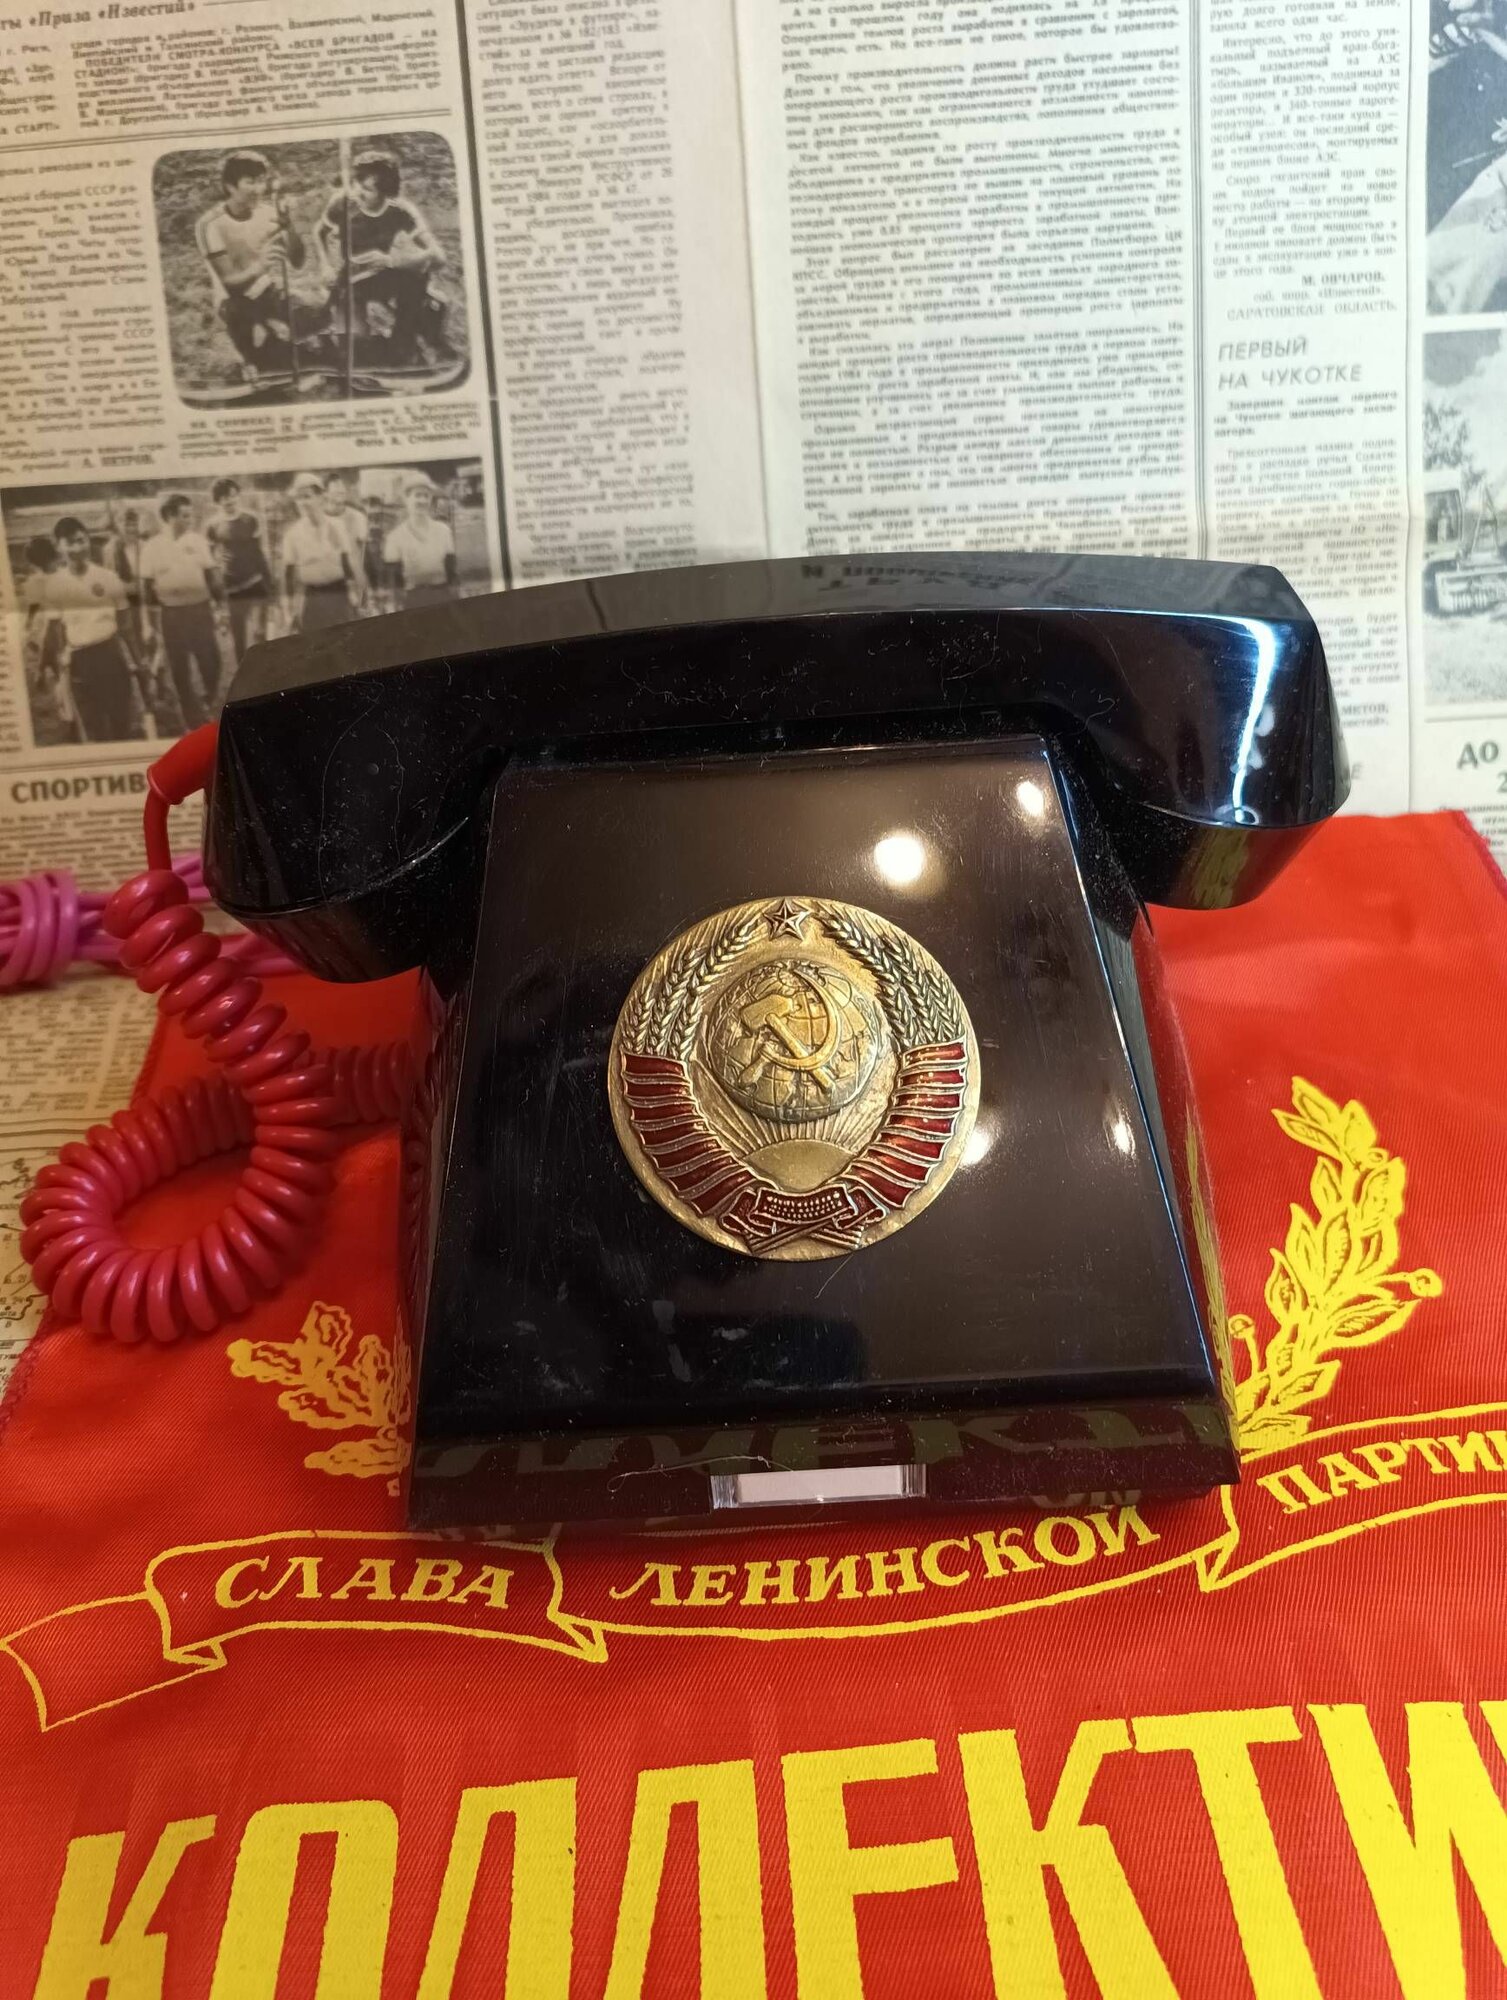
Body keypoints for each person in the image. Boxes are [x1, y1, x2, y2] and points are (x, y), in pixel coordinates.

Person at [196, 151, 326, 378]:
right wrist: (261, 266)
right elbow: (229, 282)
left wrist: (289, 228)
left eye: (262, 181)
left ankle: (273, 329)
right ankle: (262, 337)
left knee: (322, 313)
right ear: (230, 186)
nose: (258, 189)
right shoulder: (211, 224)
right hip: (234, 302)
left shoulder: (267, 212)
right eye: (250, 182)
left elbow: (297, 262)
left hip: (268, 293)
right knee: (266, 359)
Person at [317, 148, 453, 366]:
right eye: (356, 184)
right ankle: (360, 335)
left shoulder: (400, 210)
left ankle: (403, 341)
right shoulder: (342, 202)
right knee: (356, 351)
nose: (358, 193)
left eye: (368, 189)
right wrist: (326, 266)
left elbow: (438, 256)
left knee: (416, 278)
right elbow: (319, 232)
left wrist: (392, 261)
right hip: (349, 281)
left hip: (382, 275)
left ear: (385, 192)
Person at [38, 518, 145, 743]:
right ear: (59, 546)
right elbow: (55, 631)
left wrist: (138, 662)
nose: (78, 548)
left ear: (88, 540)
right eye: (70, 543)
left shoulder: (108, 578)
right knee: (93, 727)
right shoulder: (54, 585)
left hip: (111, 654)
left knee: (121, 722)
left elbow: (126, 626)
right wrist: (59, 668)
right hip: (80, 660)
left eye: (81, 540)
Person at [139, 493, 223, 729]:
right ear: (169, 516)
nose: (190, 519)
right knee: (179, 668)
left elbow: (212, 576)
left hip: (200, 611)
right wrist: (147, 623)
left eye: (191, 515)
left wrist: (220, 608)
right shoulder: (152, 547)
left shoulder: (198, 541)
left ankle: (209, 698)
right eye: (185, 516)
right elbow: (145, 589)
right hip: (172, 615)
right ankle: (191, 717)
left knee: (211, 661)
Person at [208, 477, 273, 662]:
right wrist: (216, 594)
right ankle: (244, 672)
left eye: (232, 496)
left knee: (260, 633)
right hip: (232, 588)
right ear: (217, 501)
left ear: (238, 496)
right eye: (223, 498)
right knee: (238, 637)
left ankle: (267, 670)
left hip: (255, 583)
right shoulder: (213, 525)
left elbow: (260, 554)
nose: (229, 501)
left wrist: (269, 585)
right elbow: (210, 561)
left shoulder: (251, 519)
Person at [282, 472, 356, 632]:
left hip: (338, 594)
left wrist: (353, 595)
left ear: (321, 498)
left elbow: (346, 563)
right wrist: (289, 610)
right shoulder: (292, 535)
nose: (303, 503)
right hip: (312, 597)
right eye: (298, 498)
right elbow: (288, 576)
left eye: (307, 497)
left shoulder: (338, 526)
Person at [382, 473, 458, 608]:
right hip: (412, 598)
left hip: (441, 594)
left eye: (426, 496)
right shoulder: (394, 537)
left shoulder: (443, 530)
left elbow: (451, 571)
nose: (422, 500)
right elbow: (395, 581)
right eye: (417, 495)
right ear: (406, 499)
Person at [324, 473, 373, 610]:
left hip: (356, 581)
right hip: (330, 583)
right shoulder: (319, 519)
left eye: (342, 487)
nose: (340, 490)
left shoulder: (358, 517)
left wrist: (365, 586)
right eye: (335, 487)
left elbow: (365, 555)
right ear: (325, 493)